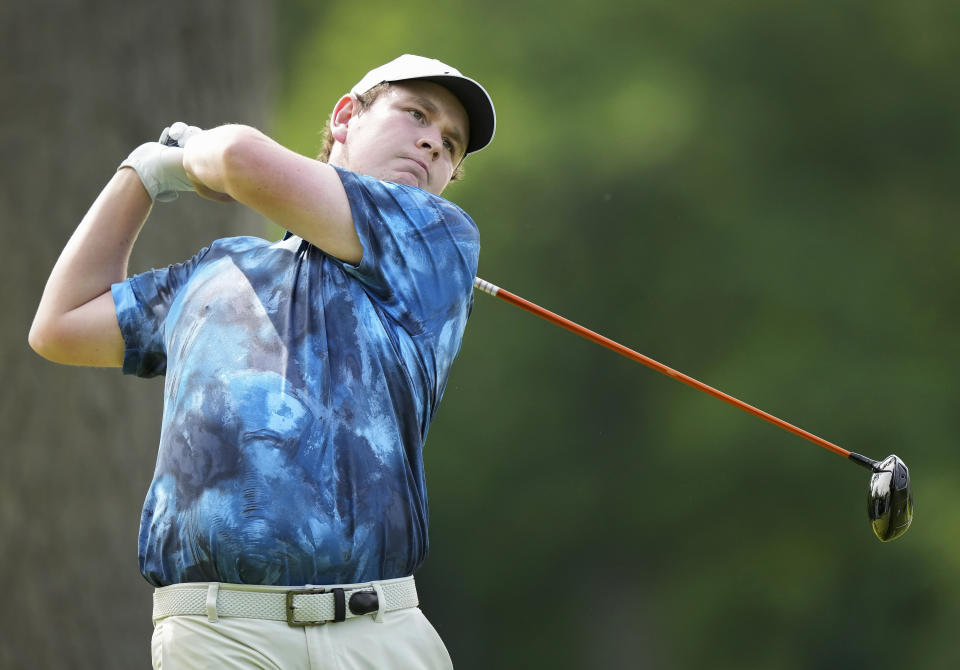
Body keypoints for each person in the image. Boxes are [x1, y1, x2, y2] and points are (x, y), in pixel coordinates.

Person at [28, 54, 496, 669]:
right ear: (345, 117)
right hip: (219, 635)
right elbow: (60, 325)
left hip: (377, 632)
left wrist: (188, 159)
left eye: (452, 144)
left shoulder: (438, 240)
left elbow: (239, 160)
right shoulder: (218, 270)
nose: (434, 141)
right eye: (417, 114)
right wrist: (140, 176)